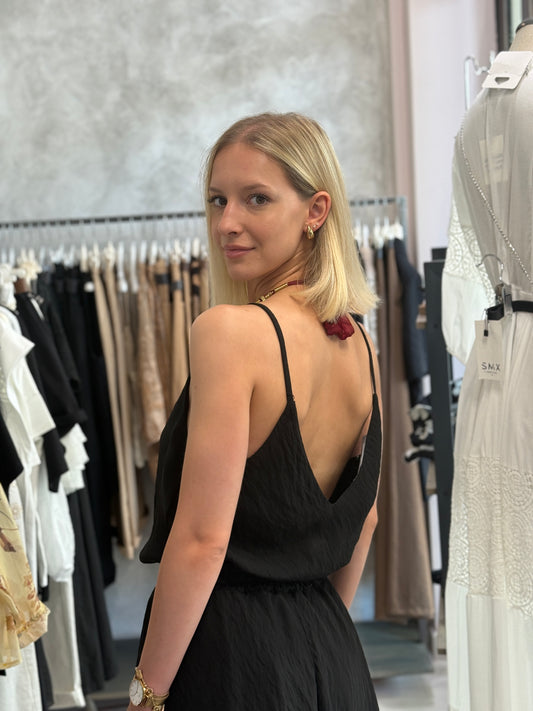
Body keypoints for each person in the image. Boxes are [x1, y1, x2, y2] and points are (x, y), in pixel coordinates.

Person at [127, 112, 382, 711]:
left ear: (316, 211)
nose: (227, 223)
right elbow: (365, 519)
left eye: (256, 199)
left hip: (232, 659)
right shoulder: (360, 343)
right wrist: (311, 639)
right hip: (333, 655)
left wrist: (145, 696)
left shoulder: (230, 333)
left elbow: (202, 540)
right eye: (218, 200)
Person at [442, 19, 533, 711]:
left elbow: (465, 278)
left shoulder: (478, 114)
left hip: (499, 355)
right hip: (507, 350)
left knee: (508, 574)